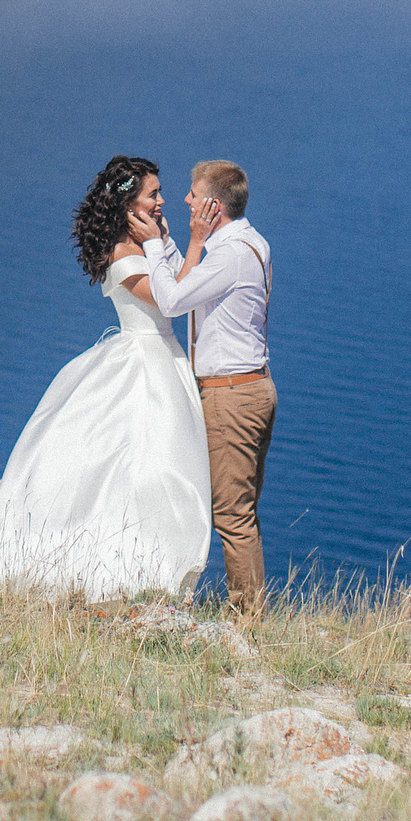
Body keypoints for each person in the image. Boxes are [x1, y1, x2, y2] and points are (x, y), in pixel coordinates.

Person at [0, 155, 212, 601]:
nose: (163, 201)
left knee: (162, 469)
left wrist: (165, 242)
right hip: (143, 365)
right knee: (144, 467)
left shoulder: (148, 243)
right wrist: (196, 240)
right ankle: (115, 574)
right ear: (129, 203)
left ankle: (156, 575)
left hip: (166, 361)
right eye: (154, 193)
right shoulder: (123, 255)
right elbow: (172, 302)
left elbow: (182, 281)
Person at [146, 159, 274, 615]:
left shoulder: (230, 253)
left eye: (193, 194)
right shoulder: (247, 244)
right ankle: (250, 611)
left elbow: (174, 299)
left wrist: (152, 245)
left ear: (212, 205)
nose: (183, 200)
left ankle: (247, 618)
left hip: (230, 395)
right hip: (251, 389)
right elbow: (194, 281)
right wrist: (169, 240)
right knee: (242, 511)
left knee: (231, 515)